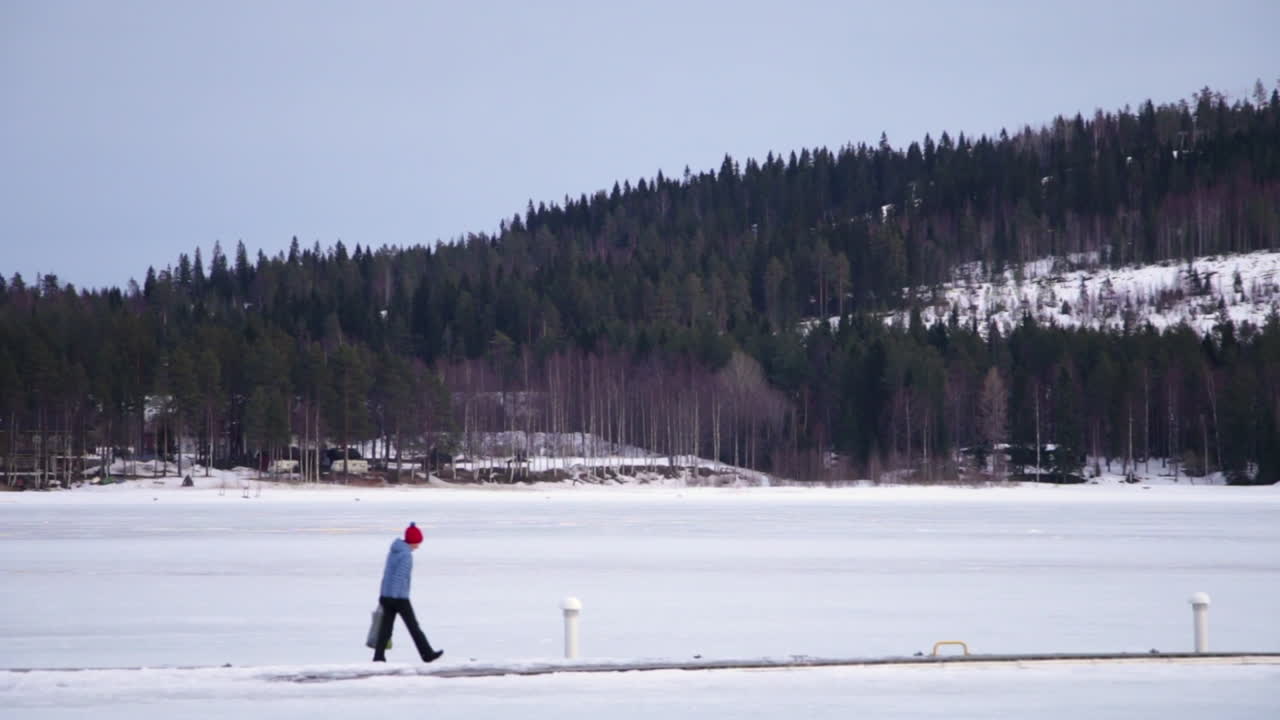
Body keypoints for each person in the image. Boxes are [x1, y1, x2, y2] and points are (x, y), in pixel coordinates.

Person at [373, 522, 444, 663]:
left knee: (386, 627)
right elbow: (399, 577)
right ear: (413, 541)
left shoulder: (394, 551)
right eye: (418, 542)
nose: (418, 546)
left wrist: (385, 596)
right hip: (399, 598)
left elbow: (387, 574)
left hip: (386, 595)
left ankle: (378, 657)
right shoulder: (406, 556)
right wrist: (396, 598)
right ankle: (427, 654)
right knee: (413, 627)